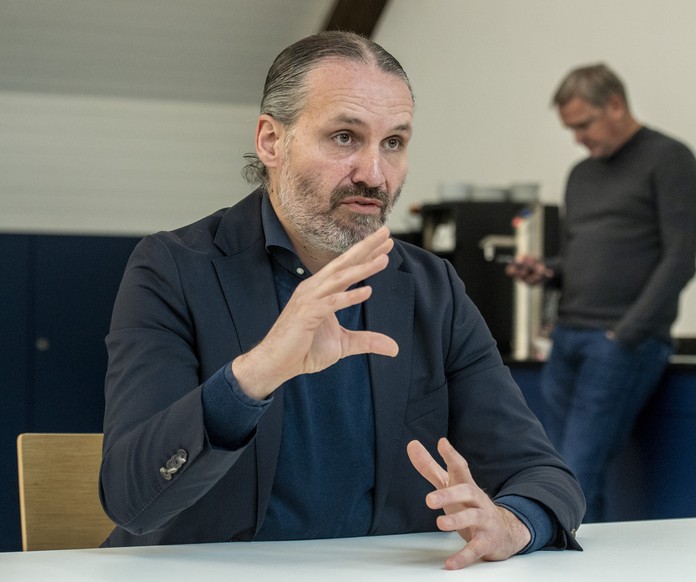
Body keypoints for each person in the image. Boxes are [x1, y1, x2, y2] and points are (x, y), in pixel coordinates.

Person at [99, 31, 585, 570]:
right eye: (344, 137)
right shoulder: (172, 269)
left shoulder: (432, 287)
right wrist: (255, 374)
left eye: (394, 143)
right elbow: (130, 497)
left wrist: (513, 524)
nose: (374, 175)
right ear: (270, 142)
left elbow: (546, 476)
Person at [507, 63, 696, 523]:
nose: (577, 138)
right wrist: (548, 272)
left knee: (576, 473)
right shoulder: (582, 175)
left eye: (583, 124)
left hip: (619, 343)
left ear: (615, 105)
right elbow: (577, 256)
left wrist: (627, 334)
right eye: (570, 128)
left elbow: (680, 258)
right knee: (556, 471)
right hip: (568, 338)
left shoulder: (670, 159)